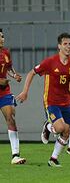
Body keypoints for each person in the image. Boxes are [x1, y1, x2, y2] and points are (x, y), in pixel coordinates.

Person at [16, 33, 70, 167]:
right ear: (59, 46)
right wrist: (25, 91)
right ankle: (48, 126)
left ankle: (53, 159)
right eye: (65, 44)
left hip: (66, 102)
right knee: (60, 127)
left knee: (66, 131)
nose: (68, 46)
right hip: (51, 102)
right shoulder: (50, 62)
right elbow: (32, 73)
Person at [0, 28, 26, 164]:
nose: (2, 39)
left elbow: (8, 67)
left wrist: (14, 75)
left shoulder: (5, 52)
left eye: (2, 36)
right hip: (2, 84)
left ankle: (15, 155)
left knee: (11, 117)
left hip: (4, 92)